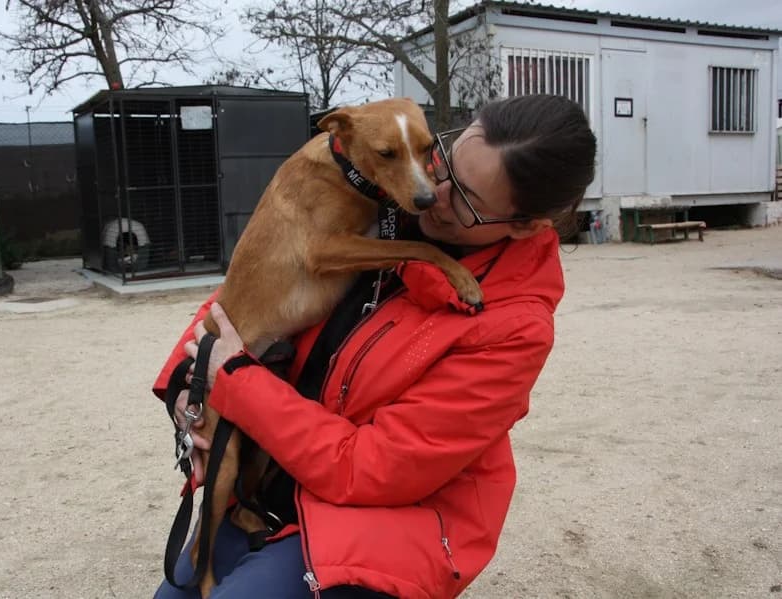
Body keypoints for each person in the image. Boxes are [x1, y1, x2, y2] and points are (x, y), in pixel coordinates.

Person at [151, 94, 597, 599]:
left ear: (527, 225)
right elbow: (251, 286)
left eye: (468, 198)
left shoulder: (513, 327)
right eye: (442, 158)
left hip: (386, 524)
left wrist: (231, 380)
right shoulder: (392, 205)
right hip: (281, 480)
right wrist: (190, 386)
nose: (432, 189)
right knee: (174, 594)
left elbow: (369, 469)